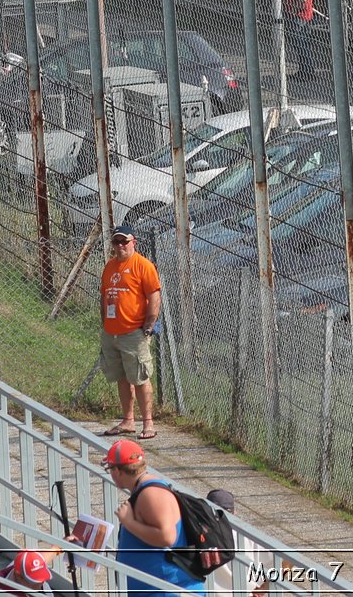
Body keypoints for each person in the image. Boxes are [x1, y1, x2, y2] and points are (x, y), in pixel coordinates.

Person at [102, 439, 203, 595]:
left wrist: (129, 522)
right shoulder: (144, 490)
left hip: (168, 590)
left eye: (109, 469)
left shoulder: (151, 494)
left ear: (117, 471)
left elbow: (167, 537)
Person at [99, 228, 162, 440]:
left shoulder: (143, 265)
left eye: (123, 242)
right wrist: (105, 323)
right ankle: (127, 421)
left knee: (140, 377)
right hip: (112, 332)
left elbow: (154, 295)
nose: (119, 246)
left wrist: (148, 324)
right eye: (116, 242)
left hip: (134, 332)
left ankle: (148, 423)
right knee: (122, 377)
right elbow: (104, 295)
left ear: (133, 242)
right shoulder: (109, 266)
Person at [285, 0, 317, 80]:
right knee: (301, 44)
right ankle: (305, 70)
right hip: (300, 14)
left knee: (301, 44)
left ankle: (307, 72)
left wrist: (295, 11)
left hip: (300, 15)